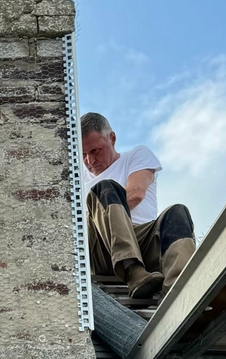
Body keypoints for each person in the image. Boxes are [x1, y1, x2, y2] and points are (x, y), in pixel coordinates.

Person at [81, 112, 195, 299]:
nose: (90, 161)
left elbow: (135, 194)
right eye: (83, 154)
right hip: (101, 250)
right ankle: (132, 270)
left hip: (142, 242)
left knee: (177, 213)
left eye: (95, 151)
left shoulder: (136, 156)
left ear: (112, 138)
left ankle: (178, 293)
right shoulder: (77, 180)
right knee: (103, 188)